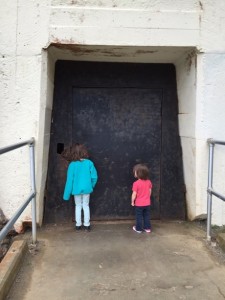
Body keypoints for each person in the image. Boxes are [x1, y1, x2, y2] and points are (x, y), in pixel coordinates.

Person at [62, 143, 98, 231]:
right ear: (84, 152)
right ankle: (87, 225)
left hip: (76, 190)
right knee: (86, 205)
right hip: (87, 189)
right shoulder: (89, 163)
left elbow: (69, 181)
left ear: (73, 153)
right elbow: (94, 177)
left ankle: (78, 225)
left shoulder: (72, 165)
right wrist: (91, 186)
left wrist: (66, 195)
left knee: (78, 206)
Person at [131, 164, 152, 233]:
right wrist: (147, 198)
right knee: (147, 216)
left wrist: (132, 201)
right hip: (147, 203)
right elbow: (149, 191)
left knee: (139, 216)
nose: (134, 173)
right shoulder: (149, 182)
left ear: (138, 174)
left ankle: (138, 229)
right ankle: (147, 228)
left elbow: (134, 194)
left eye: (135, 172)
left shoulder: (136, 183)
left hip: (139, 204)